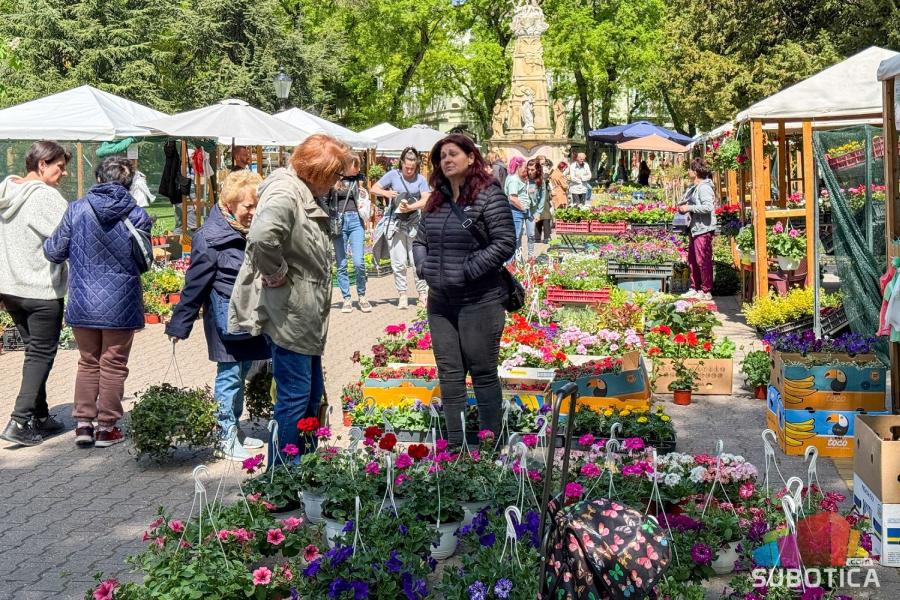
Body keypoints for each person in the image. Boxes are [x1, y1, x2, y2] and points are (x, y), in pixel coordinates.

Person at [229, 133, 351, 463]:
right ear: (319, 172)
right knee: (295, 396)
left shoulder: (299, 188)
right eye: (335, 175)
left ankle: (304, 467)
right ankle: (285, 472)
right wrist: (275, 272)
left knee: (308, 395)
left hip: (303, 313)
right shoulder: (285, 190)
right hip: (291, 313)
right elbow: (261, 237)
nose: (338, 181)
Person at [412, 133, 515, 447]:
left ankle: (490, 447)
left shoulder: (488, 194)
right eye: (442, 156)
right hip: (441, 304)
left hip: (480, 301)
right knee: (449, 375)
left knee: (483, 374)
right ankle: (455, 448)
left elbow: (504, 243)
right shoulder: (436, 199)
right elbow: (419, 241)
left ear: (471, 157)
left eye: (453, 153)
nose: (446, 160)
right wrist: (424, 267)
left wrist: (467, 270)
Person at [43, 157, 151, 448]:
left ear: (99, 179)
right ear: (128, 183)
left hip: (83, 300)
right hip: (121, 302)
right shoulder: (137, 214)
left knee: (88, 362)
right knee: (113, 365)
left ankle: (83, 426)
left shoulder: (76, 209)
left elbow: (54, 251)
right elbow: (144, 262)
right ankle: (107, 428)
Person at [165, 171, 271, 461]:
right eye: (248, 206)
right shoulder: (210, 237)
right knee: (229, 375)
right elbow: (195, 283)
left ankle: (234, 428)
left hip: (251, 315)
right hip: (226, 317)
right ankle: (224, 436)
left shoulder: (250, 230)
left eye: (256, 206)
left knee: (243, 371)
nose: (253, 212)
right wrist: (180, 323)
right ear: (231, 202)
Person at [0, 141, 71, 446]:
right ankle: (18, 421)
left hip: (10, 288)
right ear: (42, 165)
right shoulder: (45, 197)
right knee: (41, 355)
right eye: (60, 166)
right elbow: (69, 235)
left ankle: (40, 417)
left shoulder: (7, 190)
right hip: (40, 289)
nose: (64, 173)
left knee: (33, 353)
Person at [371, 147, 430, 309]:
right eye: (407, 167)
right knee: (399, 262)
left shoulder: (421, 179)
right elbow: (374, 188)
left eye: (413, 168)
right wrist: (387, 194)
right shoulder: (392, 175)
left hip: (414, 224)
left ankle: (422, 295)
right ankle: (402, 295)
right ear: (401, 164)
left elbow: (427, 199)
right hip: (395, 223)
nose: (410, 170)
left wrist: (411, 207)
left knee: (418, 260)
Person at [330, 155, 372, 313]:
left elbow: (364, 199)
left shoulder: (359, 179)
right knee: (341, 264)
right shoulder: (334, 179)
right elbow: (327, 200)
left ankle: (362, 295)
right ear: (347, 166)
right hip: (338, 222)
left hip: (355, 221)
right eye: (356, 166)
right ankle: (346, 298)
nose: (359, 169)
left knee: (358, 262)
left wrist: (362, 190)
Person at [678, 157, 717, 301]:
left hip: (703, 228)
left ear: (695, 171)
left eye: (690, 169)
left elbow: (708, 207)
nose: (688, 171)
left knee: (702, 260)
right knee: (693, 260)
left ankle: (706, 290)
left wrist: (689, 207)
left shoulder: (704, 187)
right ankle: (695, 287)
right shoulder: (694, 187)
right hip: (695, 227)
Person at [503, 156, 528, 263]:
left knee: (517, 237)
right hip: (515, 211)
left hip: (516, 211)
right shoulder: (513, 179)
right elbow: (513, 198)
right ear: (518, 166)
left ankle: (516, 261)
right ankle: (509, 263)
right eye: (524, 167)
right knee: (515, 237)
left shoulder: (514, 177)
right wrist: (523, 209)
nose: (526, 169)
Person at [526, 158, 552, 246]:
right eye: (528, 169)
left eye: (532, 170)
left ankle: (531, 257)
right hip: (524, 209)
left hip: (535, 209)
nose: (530, 172)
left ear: (537, 169)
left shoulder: (541, 181)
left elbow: (542, 197)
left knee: (531, 236)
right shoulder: (525, 179)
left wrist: (538, 212)